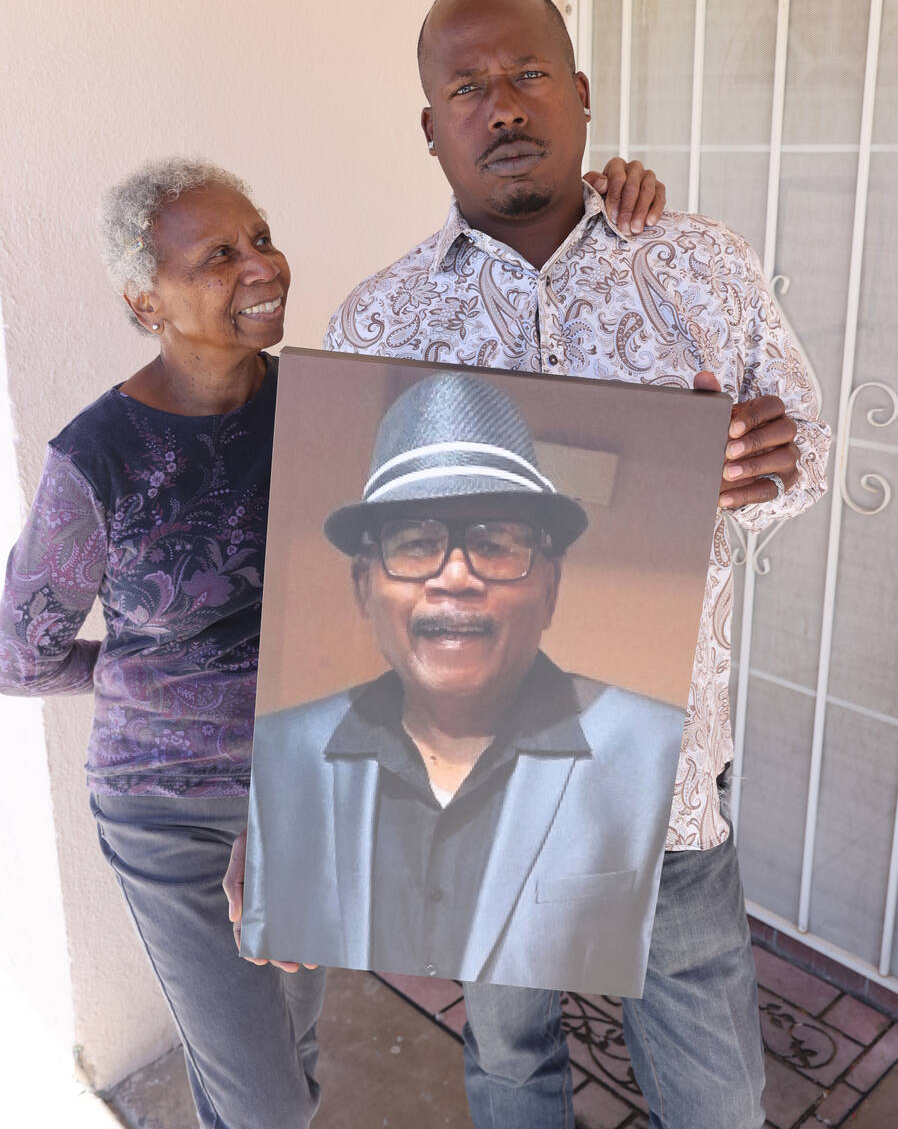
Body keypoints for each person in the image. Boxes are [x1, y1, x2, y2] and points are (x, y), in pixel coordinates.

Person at [233, 0, 831, 1129]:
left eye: (527, 74)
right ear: (430, 126)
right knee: (510, 1067)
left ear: (581, 94)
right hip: (473, 800)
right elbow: (324, 580)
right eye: (466, 87)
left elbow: (796, 451)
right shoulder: (378, 326)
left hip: (665, 800)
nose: (500, 105)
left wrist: (765, 470)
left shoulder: (699, 267)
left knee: (720, 1097)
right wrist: (285, 816)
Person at [0, 154, 664, 1128]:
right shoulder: (98, 460)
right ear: (147, 300)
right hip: (170, 813)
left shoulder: (329, 406)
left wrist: (593, 205)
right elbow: (20, 650)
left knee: (291, 1031)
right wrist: (144, 671)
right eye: (219, 255)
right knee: (262, 1097)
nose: (261, 265)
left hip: (314, 779)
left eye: (260, 238)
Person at [240, 370, 686, 995]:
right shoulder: (280, 753)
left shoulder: (661, 750)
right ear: (364, 587)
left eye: (496, 543)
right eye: (417, 542)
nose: (455, 578)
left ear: (550, 589)